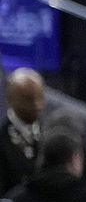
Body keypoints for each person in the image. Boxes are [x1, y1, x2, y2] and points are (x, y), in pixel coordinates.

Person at [3, 67, 48, 195]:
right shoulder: (2, 140)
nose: (37, 105)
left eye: (40, 97)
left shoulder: (50, 136)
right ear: (10, 98)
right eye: (28, 99)